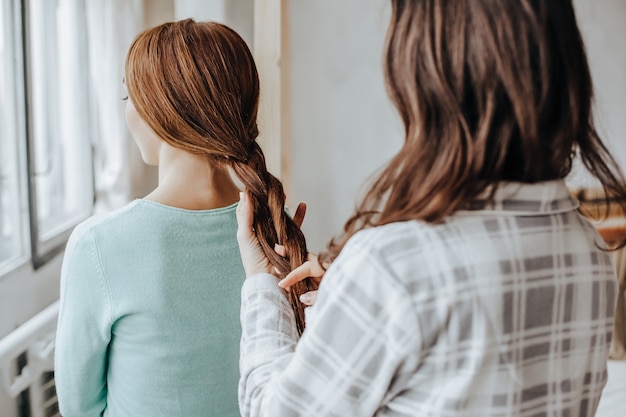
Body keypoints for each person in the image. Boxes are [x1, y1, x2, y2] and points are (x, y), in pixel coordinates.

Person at [236, 1, 626, 416]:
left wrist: (263, 284)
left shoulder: (393, 267)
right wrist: (352, 301)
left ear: (426, 74)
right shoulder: (590, 251)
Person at [54, 19, 310, 417]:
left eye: (128, 98)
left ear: (156, 110)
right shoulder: (280, 227)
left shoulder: (98, 244)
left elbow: (78, 407)